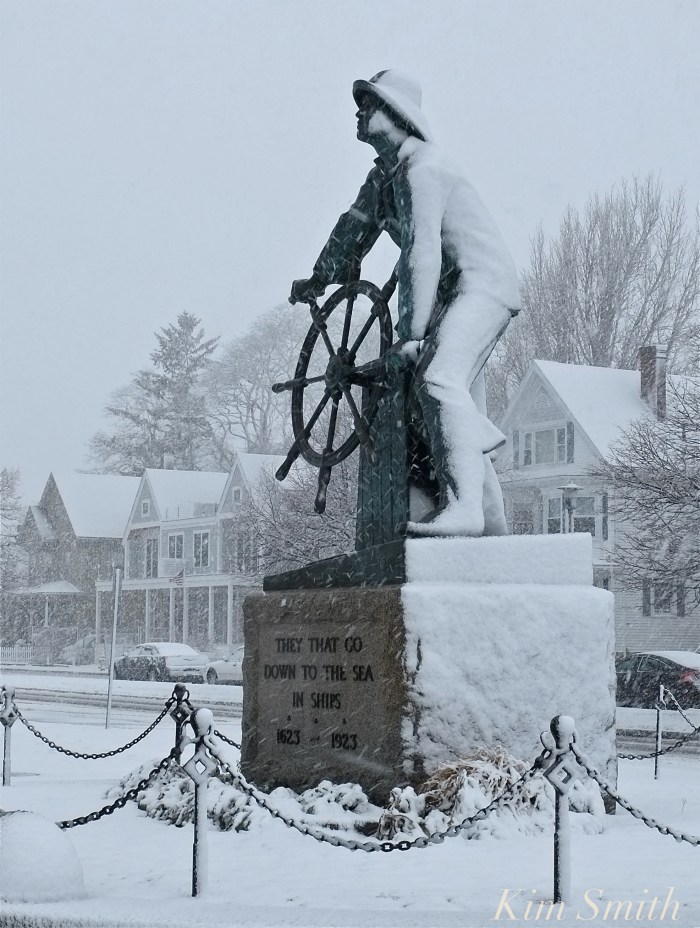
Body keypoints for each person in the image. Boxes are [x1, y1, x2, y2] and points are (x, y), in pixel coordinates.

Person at [290, 70, 521, 536]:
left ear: (396, 114)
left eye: (368, 104)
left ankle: (464, 509)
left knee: (437, 380)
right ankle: (492, 523)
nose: (358, 113)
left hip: (480, 288)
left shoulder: (425, 169)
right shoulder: (384, 179)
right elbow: (353, 229)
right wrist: (320, 277)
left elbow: (422, 251)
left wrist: (411, 336)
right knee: (437, 408)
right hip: (445, 298)